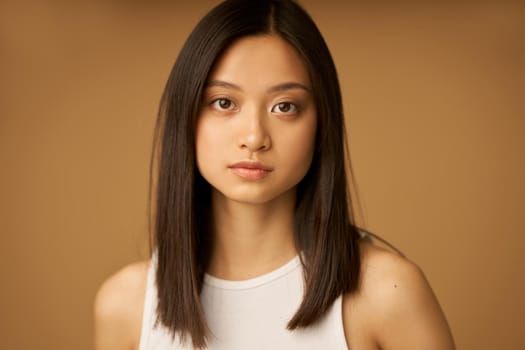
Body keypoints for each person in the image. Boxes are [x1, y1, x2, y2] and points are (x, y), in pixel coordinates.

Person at [94, 0, 456, 349]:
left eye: (285, 107)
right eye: (223, 103)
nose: (254, 137)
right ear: (186, 116)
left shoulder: (386, 292)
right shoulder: (125, 305)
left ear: (321, 124)